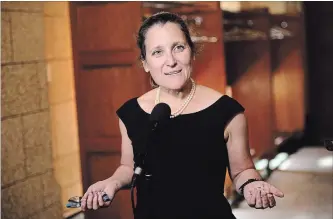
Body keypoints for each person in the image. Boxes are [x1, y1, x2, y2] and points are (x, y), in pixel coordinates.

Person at [80, 11, 284, 219]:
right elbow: (129, 167)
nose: (171, 61)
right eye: (157, 52)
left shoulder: (227, 110)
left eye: (178, 48)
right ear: (145, 63)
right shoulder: (131, 113)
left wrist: (252, 185)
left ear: (192, 52)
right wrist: (111, 183)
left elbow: (242, 170)